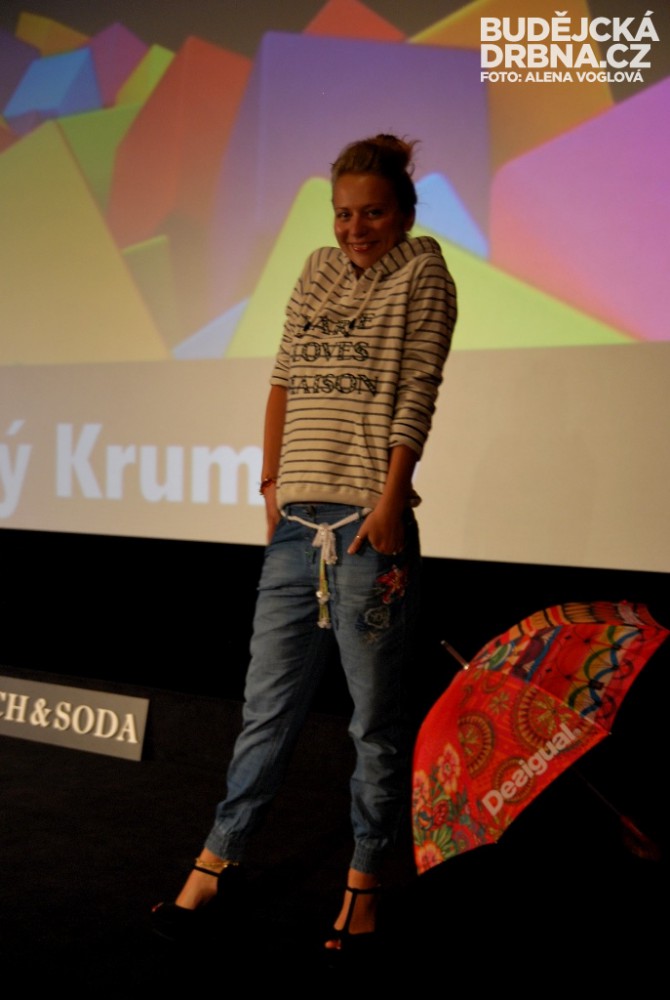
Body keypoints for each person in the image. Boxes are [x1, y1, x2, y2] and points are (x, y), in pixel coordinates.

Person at [152, 134, 457, 957]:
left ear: (404, 212)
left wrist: (389, 501)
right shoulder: (317, 269)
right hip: (295, 525)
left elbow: (417, 390)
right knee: (266, 707)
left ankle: (364, 880)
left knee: (372, 723)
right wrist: (270, 486)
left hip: (368, 527)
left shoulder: (424, 272)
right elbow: (284, 380)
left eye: (373, 213)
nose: (355, 228)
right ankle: (218, 858)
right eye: (344, 213)